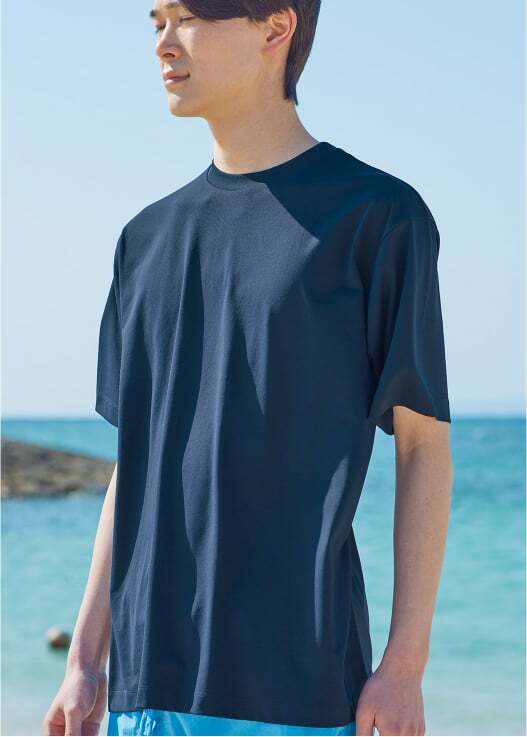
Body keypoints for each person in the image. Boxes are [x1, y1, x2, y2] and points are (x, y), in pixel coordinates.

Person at [43, 1, 454, 735]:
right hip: (146, 687)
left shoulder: (378, 217)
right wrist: (84, 660)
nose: (163, 43)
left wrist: (404, 665)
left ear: (275, 27)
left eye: (187, 17)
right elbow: (135, 464)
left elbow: (423, 447)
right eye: (155, 21)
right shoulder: (144, 239)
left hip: (299, 685)